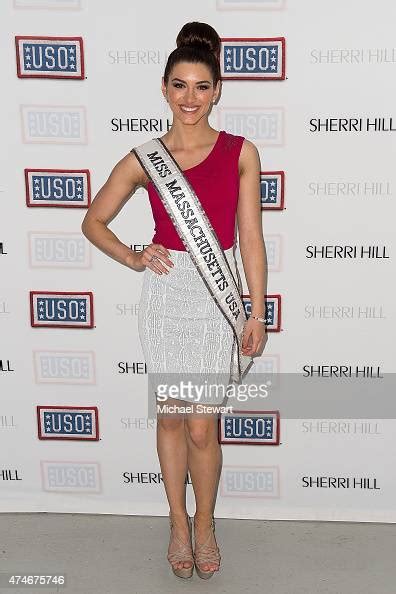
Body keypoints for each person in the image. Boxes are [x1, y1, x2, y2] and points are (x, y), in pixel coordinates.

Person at [81, 21, 267, 580]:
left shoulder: (240, 152)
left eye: (202, 86)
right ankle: (176, 523)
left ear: (217, 90)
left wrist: (255, 310)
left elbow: (251, 237)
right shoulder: (146, 157)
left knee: (201, 426)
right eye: (180, 85)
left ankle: (205, 521)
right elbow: (94, 221)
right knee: (169, 420)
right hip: (167, 298)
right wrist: (137, 255)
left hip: (217, 297)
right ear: (164, 88)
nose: (191, 98)